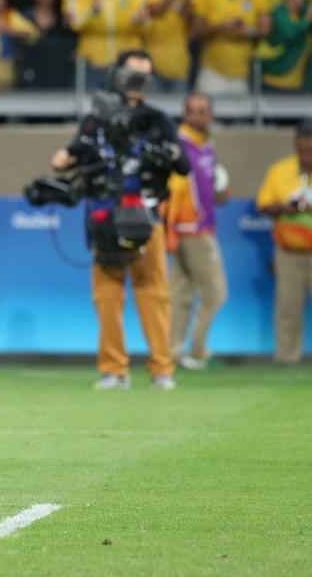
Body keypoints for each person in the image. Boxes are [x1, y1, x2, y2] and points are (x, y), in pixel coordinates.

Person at [50, 50, 189, 390]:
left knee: (154, 292)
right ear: (117, 74)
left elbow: (182, 165)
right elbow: (61, 160)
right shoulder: (97, 119)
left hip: (146, 214)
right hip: (104, 216)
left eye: (145, 74)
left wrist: (163, 154)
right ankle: (114, 369)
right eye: (132, 73)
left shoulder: (157, 120)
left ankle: (162, 369)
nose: (138, 81)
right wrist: (79, 151)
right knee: (108, 295)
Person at [165, 93, 230, 370]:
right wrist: (173, 228)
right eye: (193, 111)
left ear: (211, 115)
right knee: (216, 293)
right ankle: (198, 350)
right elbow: (175, 189)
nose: (198, 117)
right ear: (185, 114)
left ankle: (173, 351)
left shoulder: (206, 145)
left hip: (195, 226)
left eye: (203, 111)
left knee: (182, 293)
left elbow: (209, 191)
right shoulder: (182, 145)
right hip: (193, 229)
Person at [255, 119, 312, 364]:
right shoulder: (279, 170)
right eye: (302, 147)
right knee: (288, 308)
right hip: (288, 251)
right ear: (295, 143)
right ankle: (287, 358)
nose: (306, 152)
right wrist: (287, 207)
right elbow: (264, 205)